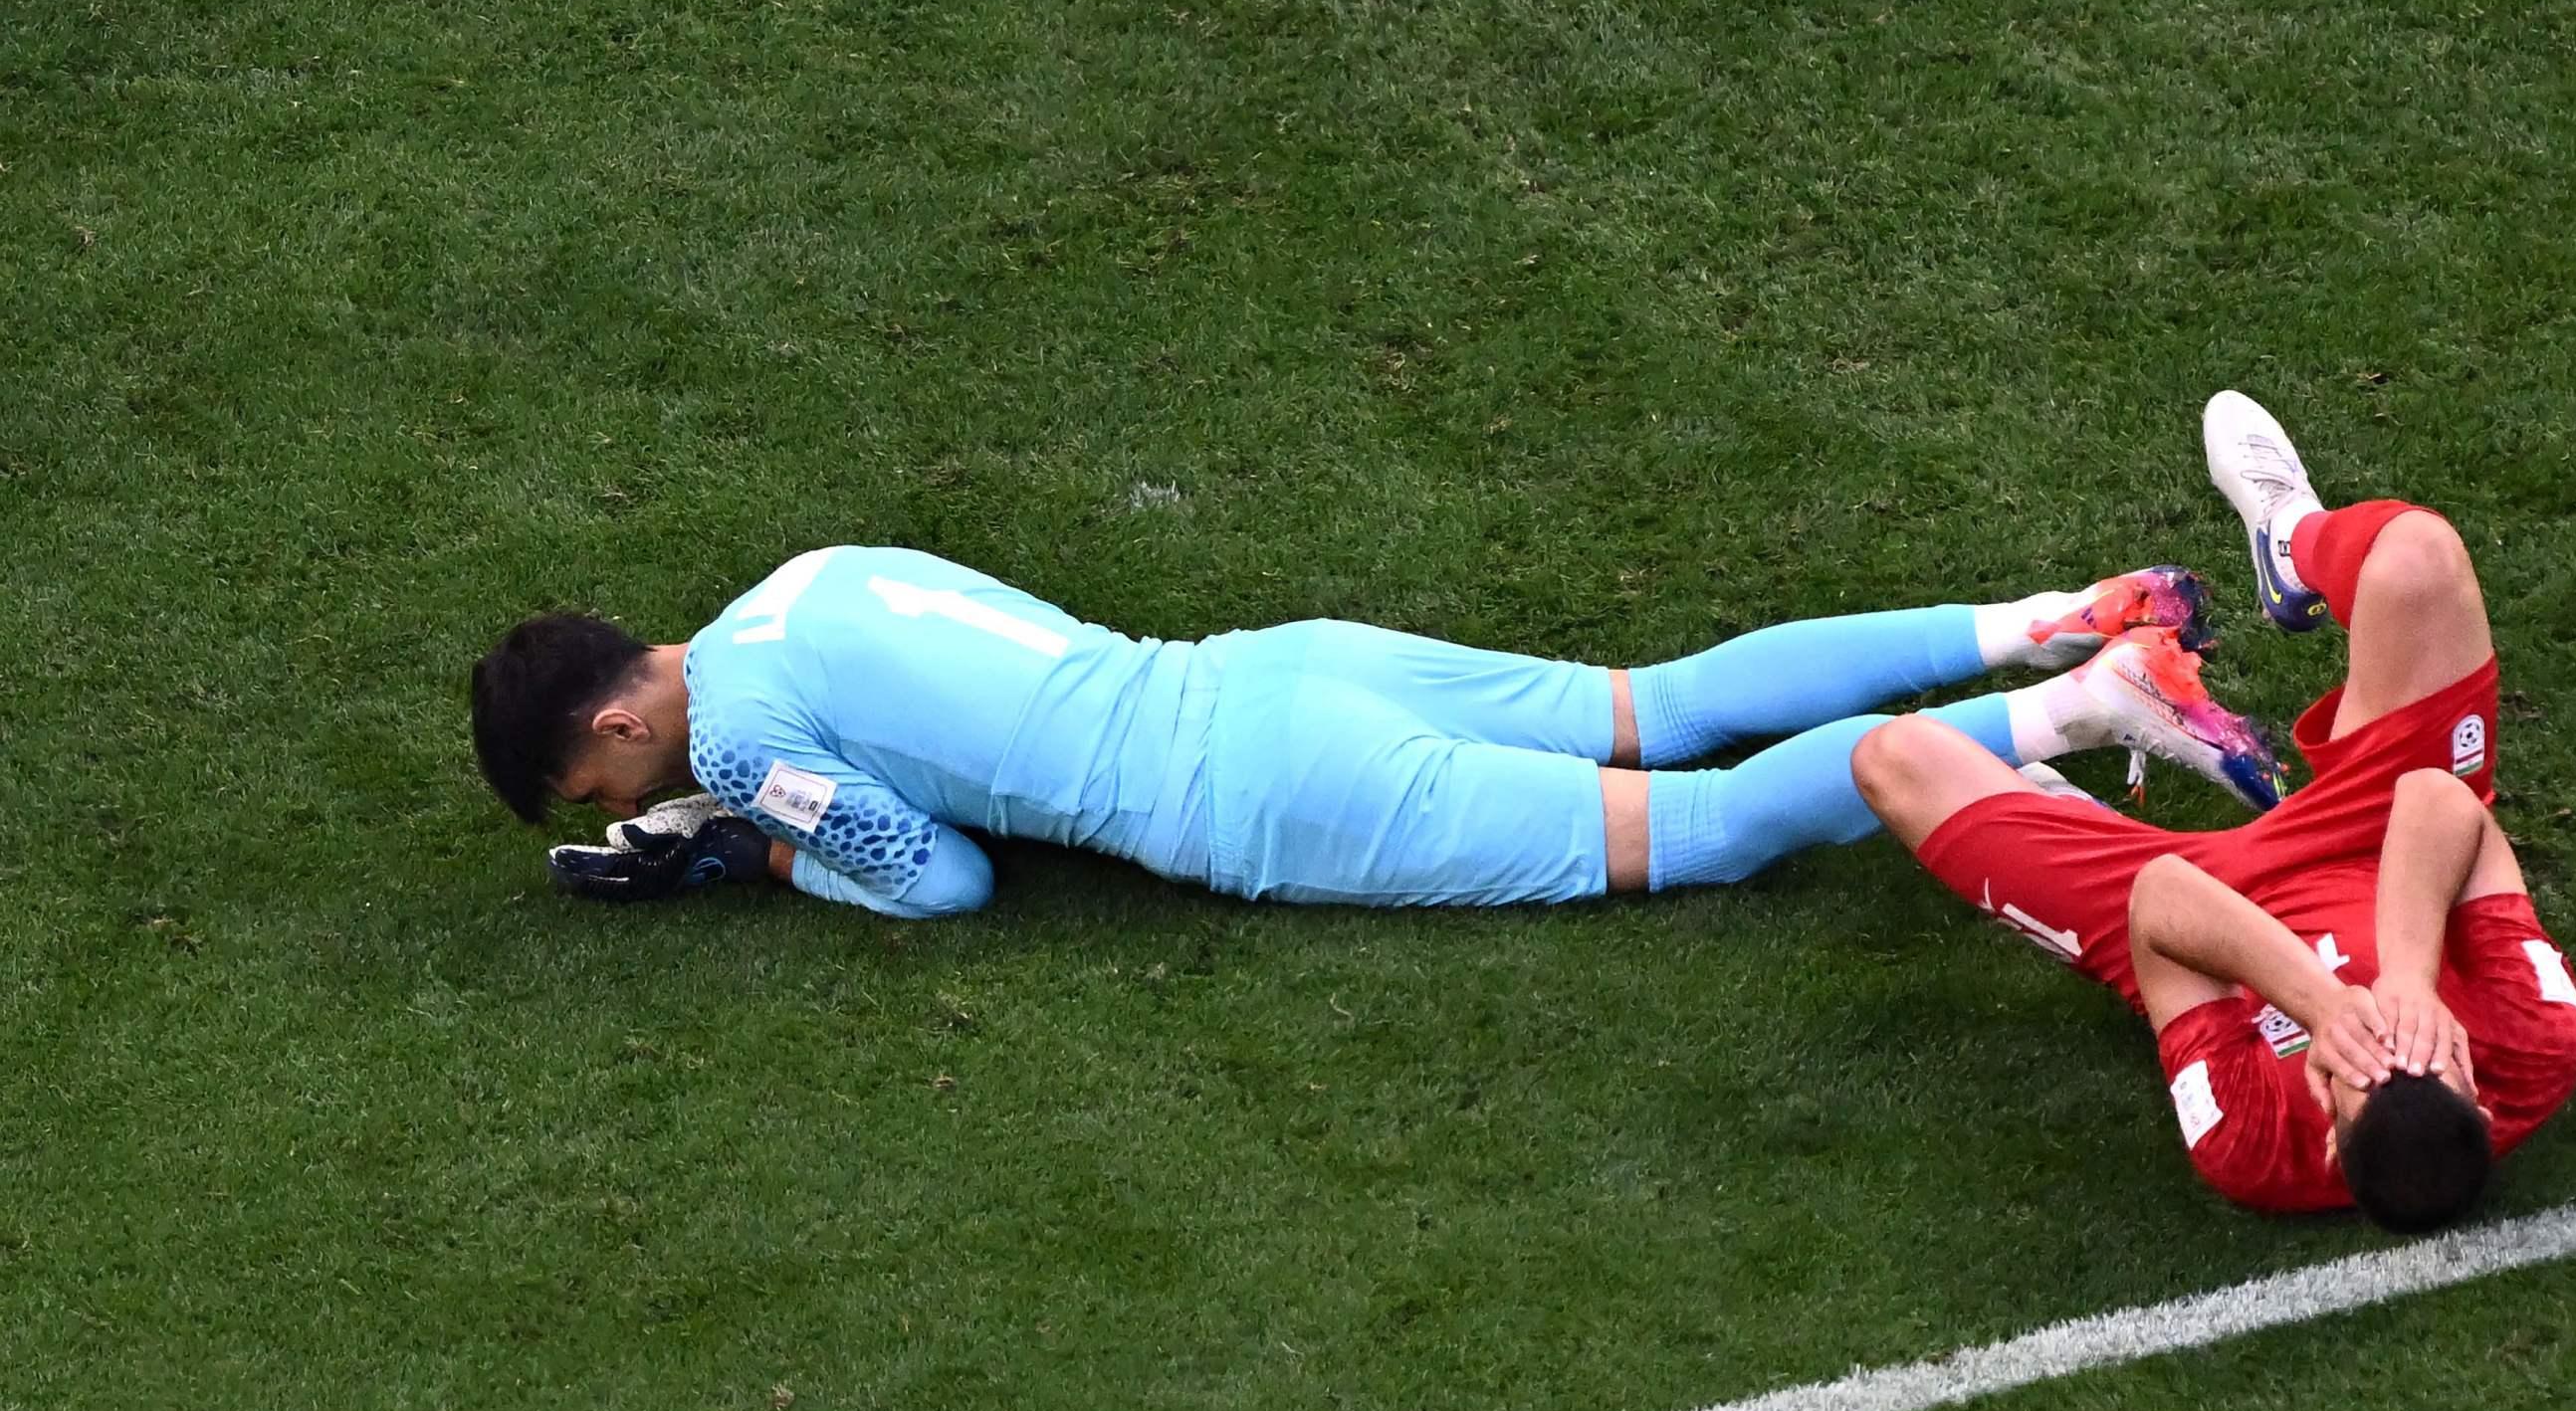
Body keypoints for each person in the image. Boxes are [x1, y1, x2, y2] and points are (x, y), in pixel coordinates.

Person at [469, 544, 2284, 920]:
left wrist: (766, 843)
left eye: (613, 772)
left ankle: (2082, 702)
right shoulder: (802, 577)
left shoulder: (754, 731)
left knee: (1707, 830)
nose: (641, 789)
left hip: (1262, 791)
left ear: (626, 716)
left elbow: (937, 879)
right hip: (1278, 662)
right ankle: (2059, 609)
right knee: (1662, 697)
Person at [1850, 392, 2576, 1233]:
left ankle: (2083, 715)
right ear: (2481, 1101)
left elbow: (2163, 899)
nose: (2385, 1036)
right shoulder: (2536, 1045)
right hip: (2364, 842)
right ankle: (2291, 538)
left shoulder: (2251, 1144)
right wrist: (2411, 980)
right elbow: (2440, 800)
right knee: (2417, 557)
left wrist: (2323, 1005)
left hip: (2184, 926)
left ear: (2328, 1139)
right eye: (2428, 1046)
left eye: (2358, 1065)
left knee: (1893, 760)